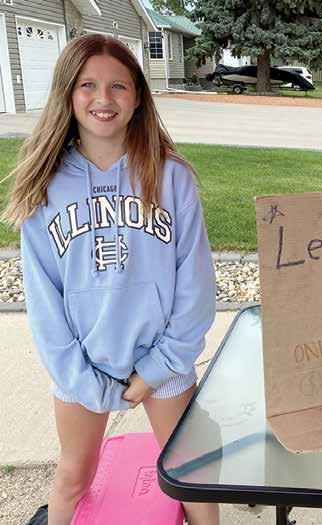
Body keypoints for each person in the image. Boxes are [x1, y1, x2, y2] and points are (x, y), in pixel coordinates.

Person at [3, 34, 220, 524]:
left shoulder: (170, 176)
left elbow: (195, 285)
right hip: (81, 365)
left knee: (190, 476)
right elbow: (43, 297)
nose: (103, 98)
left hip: (162, 362)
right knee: (72, 477)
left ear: (138, 96)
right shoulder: (44, 184)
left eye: (118, 86)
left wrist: (158, 367)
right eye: (88, 85)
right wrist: (78, 376)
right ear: (66, 93)